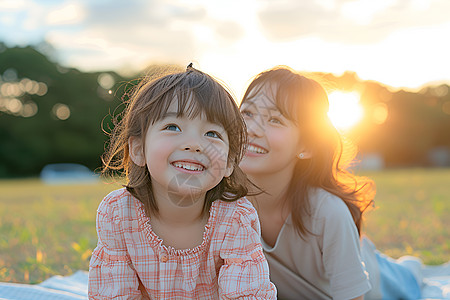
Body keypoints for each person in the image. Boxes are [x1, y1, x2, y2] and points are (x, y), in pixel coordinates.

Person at [88, 65, 277, 299]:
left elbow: (246, 295)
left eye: (212, 134)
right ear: (138, 149)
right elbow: (115, 294)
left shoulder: (235, 219)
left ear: (229, 162)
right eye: (172, 127)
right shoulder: (118, 214)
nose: (194, 144)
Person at [239, 65, 422, 300]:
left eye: (275, 119)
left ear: (305, 147)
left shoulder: (327, 212)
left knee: (409, 276)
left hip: (379, 283)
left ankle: (410, 267)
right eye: (247, 113)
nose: (251, 129)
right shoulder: (223, 200)